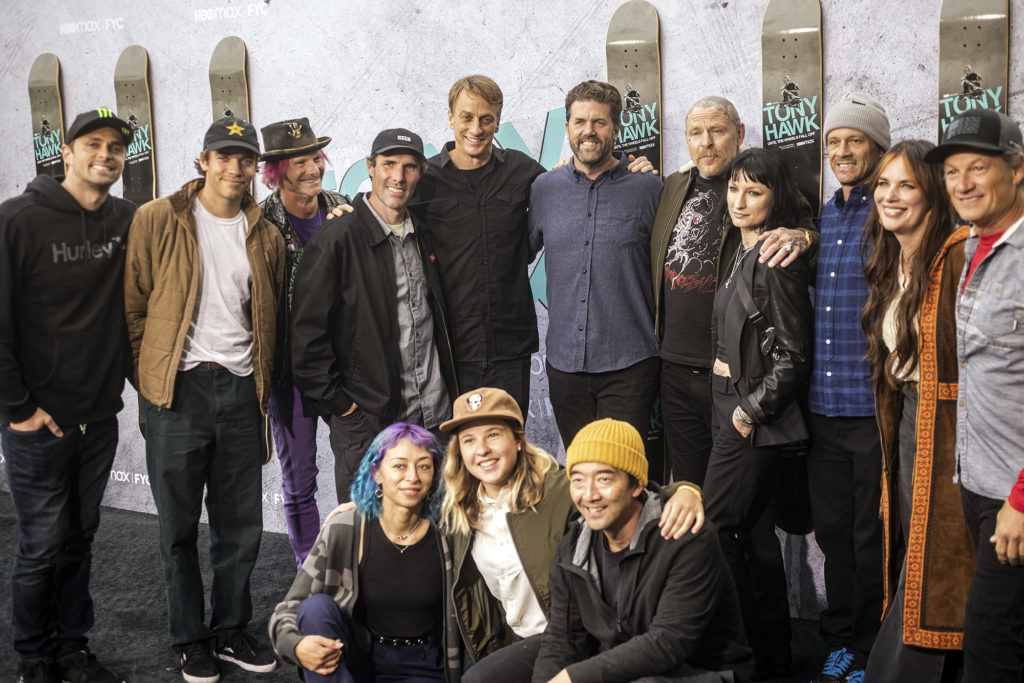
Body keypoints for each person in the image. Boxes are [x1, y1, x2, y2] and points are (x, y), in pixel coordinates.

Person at [124, 116, 284, 682]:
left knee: (239, 526)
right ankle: (190, 639)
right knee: (177, 528)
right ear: (203, 160)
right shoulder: (157, 219)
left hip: (242, 390)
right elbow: (134, 308)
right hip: (178, 393)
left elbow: (268, 319)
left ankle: (231, 629)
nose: (235, 168)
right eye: (224, 156)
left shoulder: (265, 233)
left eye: (245, 159)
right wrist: (153, 380)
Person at [438, 387, 704, 682]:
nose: (482, 450)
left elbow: (627, 490)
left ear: (518, 440)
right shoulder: (459, 511)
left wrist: (685, 491)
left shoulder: (561, 489)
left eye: (493, 435)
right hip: (517, 642)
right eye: (469, 440)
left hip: (574, 635)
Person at [1, 108, 135, 683]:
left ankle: (74, 649)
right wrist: (19, 410)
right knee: (42, 544)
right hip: (38, 420)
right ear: (68, 151)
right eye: (93, 143)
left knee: (80, 539)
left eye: (116, 147)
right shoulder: (18, 220)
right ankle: (34, 657)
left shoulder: (127, 219)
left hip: (97, 417)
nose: (105, 154)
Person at [650, 95, 816, 486]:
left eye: (717, 131)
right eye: (695, 133)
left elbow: (807, 236)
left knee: (738, 507)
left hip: (734, 375)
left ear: (739, 134)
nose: (706, 141)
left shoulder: (759, 182)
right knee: (689, 493)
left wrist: (805, 237)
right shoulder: (673, 185)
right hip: (674, 368)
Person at [290, 128, 458, 503]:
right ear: (371, 167)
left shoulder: (426, 235)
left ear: (420, 174)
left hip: (433, 417)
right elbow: (306, 345)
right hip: (369, 424)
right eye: (389, 164)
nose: (398, 176)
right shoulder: (336, 239)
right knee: (366, 540)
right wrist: (347, 411)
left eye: (410, 167)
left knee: (435, 535)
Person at [859, 139, 971, 681]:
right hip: (907, 419)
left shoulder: (956, 254)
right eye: (883, 183)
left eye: (906, 184)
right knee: (913, 554)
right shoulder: (893, 258)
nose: (891, 195)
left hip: (951, 431)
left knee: (937, 564)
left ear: (932, 193)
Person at [530, 418, 754, 683]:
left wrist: (572, 677)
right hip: (621, 664)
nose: (588, 494)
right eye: (578, 480)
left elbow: (669, 643)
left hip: (703, 672)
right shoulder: (574, 545)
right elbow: (562, 639)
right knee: (488, 675)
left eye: (603, 478)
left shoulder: (688, 537)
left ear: (636, 485)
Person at [702, 148, 813, 678]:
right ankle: (771, 658)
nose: (739, 201)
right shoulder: (741, 248)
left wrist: (749, 411)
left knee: (719, 528)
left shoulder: (775, 258)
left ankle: (740, 652)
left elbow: (794, 354)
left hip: (749, 414)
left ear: (776, 198)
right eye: (734, 189)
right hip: (728, 403)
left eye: (754, 191)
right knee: (753, 535)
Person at [924, 108, 1024, 682]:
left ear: (1016, 169)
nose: (961, 184)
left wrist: (1020, 499)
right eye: (953, 171)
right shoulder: (972, 249)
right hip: (982, 486)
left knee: (988, 651)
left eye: (977, 168)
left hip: (1015, 495)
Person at [268, 422, 461, 682]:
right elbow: (289, 609)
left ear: (436, 474)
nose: (413, 476)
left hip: (421, 663)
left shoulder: (450, 534)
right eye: (399, 465)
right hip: (358, 653)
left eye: (424, 466)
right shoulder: (345, 529)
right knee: (316, 609)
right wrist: (296, 646)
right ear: (377, 473)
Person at [528, 80, 663, 452]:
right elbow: (516, 252)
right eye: (580, 121)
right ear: (567, 127)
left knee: (620, 471)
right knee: (581, 469)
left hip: (629, 363)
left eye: (600, 122)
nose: (589, 130)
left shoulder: (648, 190)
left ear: (616, 130)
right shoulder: (544, 189)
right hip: (564, 364)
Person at [808, 91, 891, 683]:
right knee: (833, 535)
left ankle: (870, 650)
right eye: (834, 142)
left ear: (877, 150)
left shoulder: (888, 212)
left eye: (854, 141)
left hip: (872, 408)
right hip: (821, 410)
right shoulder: (823, 215)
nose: (841, 151)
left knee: (871, 539)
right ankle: (839, 644)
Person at [412, 76, 546, 415]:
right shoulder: (425, 180)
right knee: (458, 454)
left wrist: (624, 165)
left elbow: (569, 190)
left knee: (510, 447)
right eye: (467, 117)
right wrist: (342, 208)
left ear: (498, 120)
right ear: (450, 118)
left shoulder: (521, 170)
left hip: (511, 344)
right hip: (451, 349)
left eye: (487, 118)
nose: (477, 127)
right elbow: (383, 207)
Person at [259, 117, 350, 568]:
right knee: (300, 479)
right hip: (289, 372)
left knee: (358, 465)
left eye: (315, 158)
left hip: (343, 366)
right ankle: (309, 569)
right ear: (277, 171)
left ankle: (362, 561)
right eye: (300, 162)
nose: (313, 168)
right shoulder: (260, 222)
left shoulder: (344, 207)